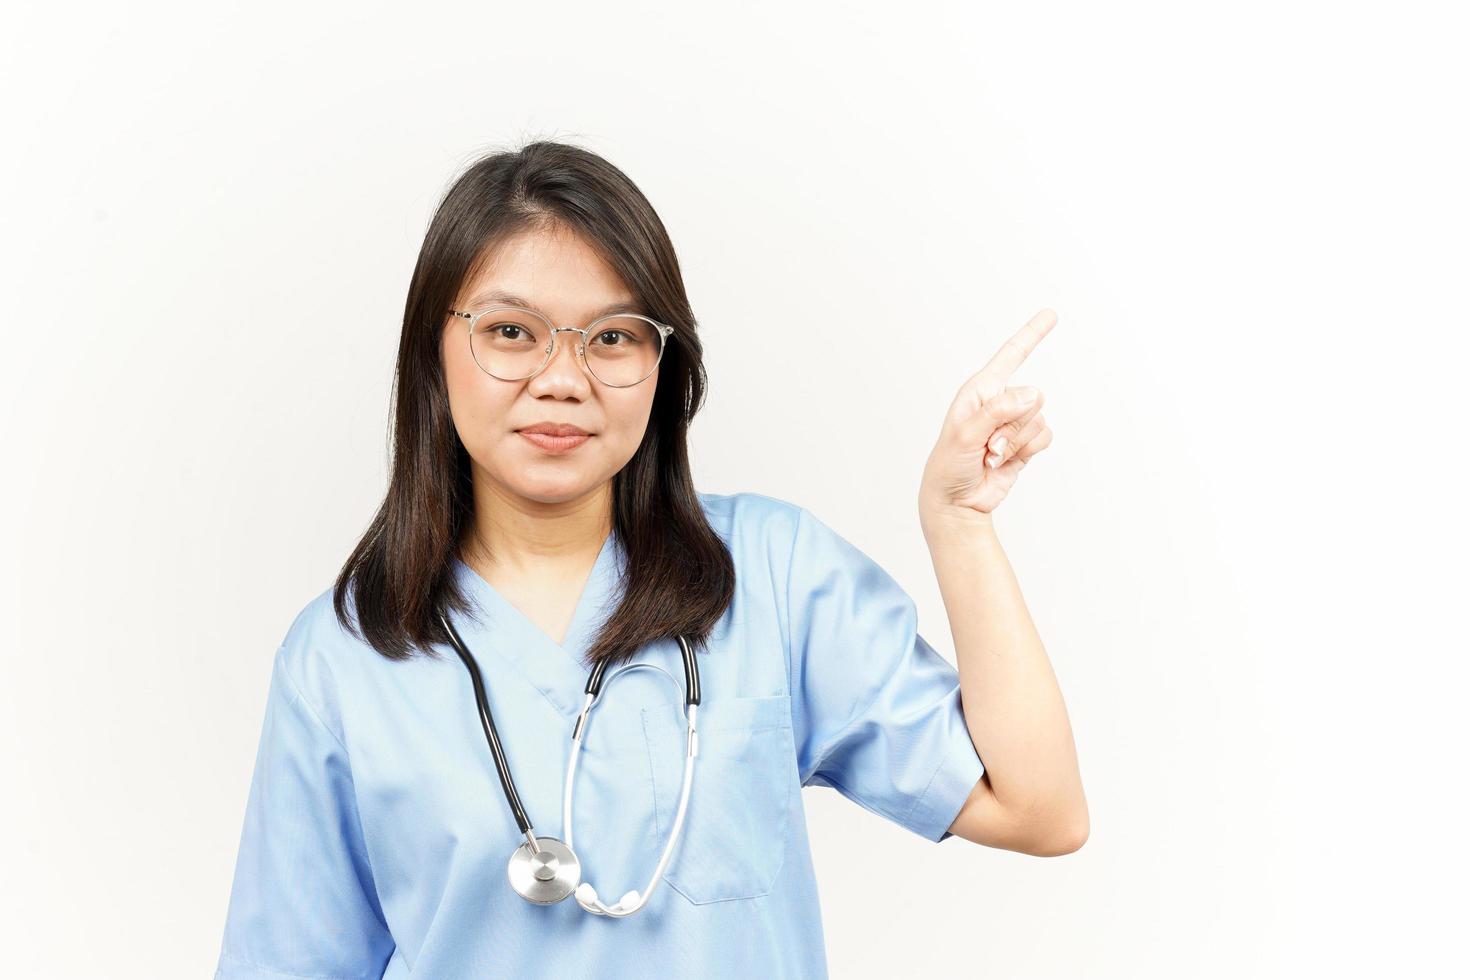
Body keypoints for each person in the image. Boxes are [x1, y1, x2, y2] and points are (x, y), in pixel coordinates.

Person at [213, 140, 1087, 979]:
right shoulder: (343, 660)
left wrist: (960, 524)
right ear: (435, 355)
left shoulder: (773, 577)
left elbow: (1040, 809)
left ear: (665, 367)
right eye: (512, 331)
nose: (563, 378)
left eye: (612, 337)